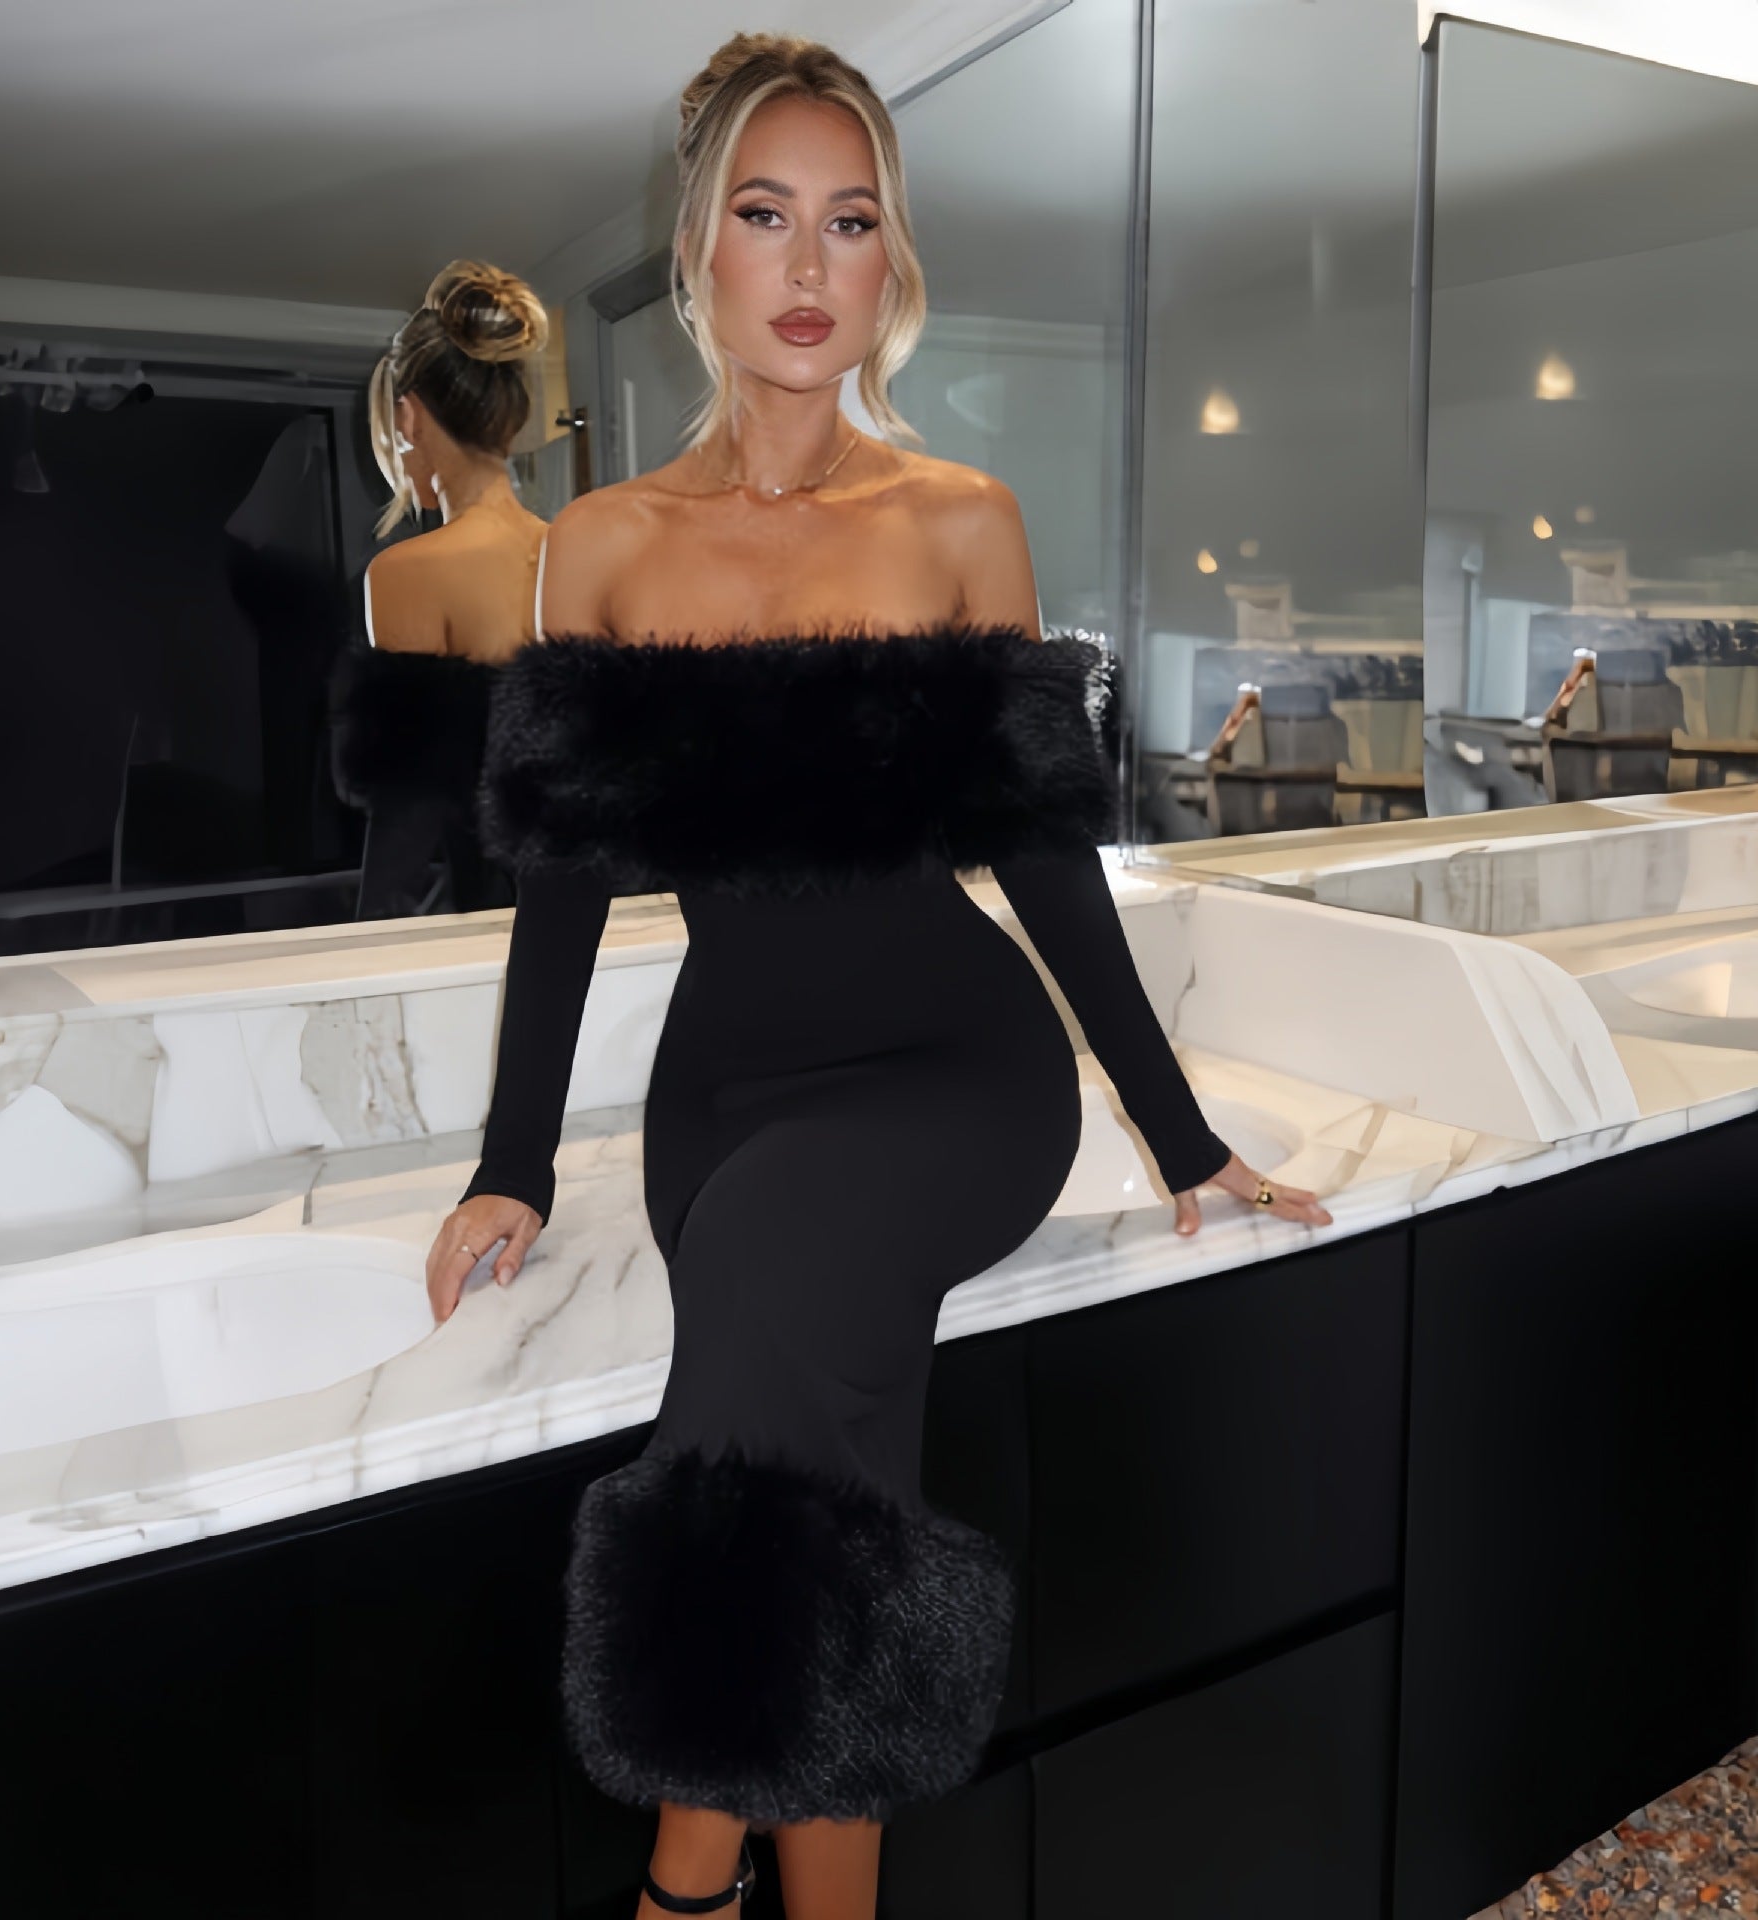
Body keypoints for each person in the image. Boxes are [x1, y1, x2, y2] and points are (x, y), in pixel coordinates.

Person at [424, 34, 1333, 1919]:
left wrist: (1179, 1133)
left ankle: (687, 1867)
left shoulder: (959, 520)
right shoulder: (601, 546)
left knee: (774, 1279)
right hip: (728, 1092)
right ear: (700, 249)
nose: (811, 264)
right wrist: (512, 1164)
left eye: (852, 222)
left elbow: (1044, 859)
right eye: (768, 216)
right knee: (826, 1448)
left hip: (955, 1072)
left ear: (890, 261)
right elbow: (560, 889)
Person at [329, 259, 549, 918]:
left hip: (497, 938)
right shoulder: (583, 556)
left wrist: (368, 947)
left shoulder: (406, 573)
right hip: (614, 926)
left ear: (408, 417)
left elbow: (408, 810)